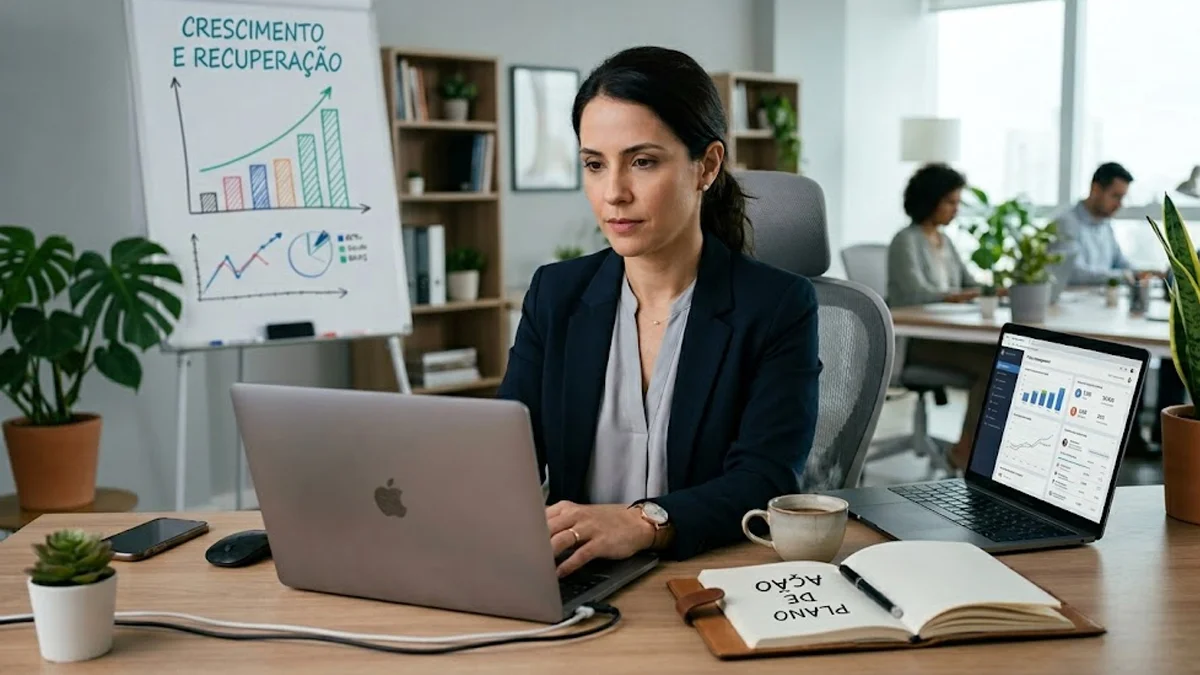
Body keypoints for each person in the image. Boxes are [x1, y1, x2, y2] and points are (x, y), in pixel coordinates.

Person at [497, 46, 821, 578]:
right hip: (580, 575)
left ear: (707, 166)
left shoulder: (777, 306)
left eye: (642, 162)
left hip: (707, 574)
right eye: (595, 165)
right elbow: (506, 457)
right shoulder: (555, 294)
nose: (613, 194)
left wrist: (646, 522)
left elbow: (766, 479)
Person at [886, 163, 995, 471]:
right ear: (930, 200)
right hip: (915, 342)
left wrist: (994, 289)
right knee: (994, 363)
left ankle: (979, 449)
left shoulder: (944, 242)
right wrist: (954, 295)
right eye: (950, 202)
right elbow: (912, 295)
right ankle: (965, 451)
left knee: (1002, 358)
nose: (955, 210)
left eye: (958, 203)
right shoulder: (905, 240)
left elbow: (968, 282)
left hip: (946, 336)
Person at [1050, 162, 1134, 286]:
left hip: (1101, 301)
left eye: (1122, 198)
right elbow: (1075, 274)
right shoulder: (1065, 223)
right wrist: (1125, 277)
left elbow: (1120, 262)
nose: (1119, 205)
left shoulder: (1105, 225)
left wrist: (1145, 273)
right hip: (1072, 303)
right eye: (1115, 196)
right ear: (1096, 189)